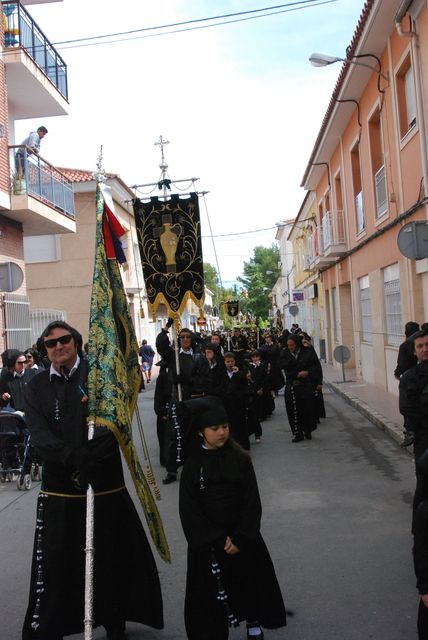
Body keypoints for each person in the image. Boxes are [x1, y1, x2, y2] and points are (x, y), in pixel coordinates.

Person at [22, 321, 163, 640]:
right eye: (51, 343)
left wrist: (92, 456)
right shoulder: (36, 386)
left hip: (103, 486)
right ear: (45, 350)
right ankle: (55, 625)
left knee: (110, 558)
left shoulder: (99, 377)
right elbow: (39, 435)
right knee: (59, 566)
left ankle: (114, 621)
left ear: (76, 341)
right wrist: (72, 457)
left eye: (64, 340)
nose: (59, 347)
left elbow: (115, 422)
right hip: (60, 492)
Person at [179, 396, 287, 640]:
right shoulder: (193, 467)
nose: (222, 433)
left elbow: (252, 501)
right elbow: (189, 510)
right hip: (210, 543)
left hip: (242, 537)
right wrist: (217, 539)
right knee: (211, 594)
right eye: (215, 429)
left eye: (225, 427)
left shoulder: (241, 459)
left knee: (249, 583)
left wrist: (241, 536)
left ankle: (253, 623)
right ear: (200, 432)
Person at [156, 319, 210, 484]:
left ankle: (197, 468)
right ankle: (172, 471)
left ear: (192, 339)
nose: (185, 339)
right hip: (177, 401)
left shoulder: (199, 358)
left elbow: (205, 379)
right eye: (182, 337)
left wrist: (187, 380)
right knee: (174, 436)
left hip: (194, 402)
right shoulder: (174, 357)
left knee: (195, 437)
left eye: (188, 337)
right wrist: (167, 326)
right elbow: (161, 346)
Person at [399, 329, 428, 523]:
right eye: (420, 346)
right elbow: (408, 409)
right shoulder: (409, 377)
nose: (425, 349)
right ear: (414, 351)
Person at [280, 334, 322, 442]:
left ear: (297, 344)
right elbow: (283, 366)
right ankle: (297, 432)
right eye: (288, 345)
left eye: (292, 345)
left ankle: (307, 430)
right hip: (291, 384)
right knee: (293, 408)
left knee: (307, 407)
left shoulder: (307, 351)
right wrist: (297, 371)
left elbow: (315, 366)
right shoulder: (285, 353)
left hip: (305, 384)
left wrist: (308, 373)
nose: (290, 347)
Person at [395, 321, 420, 447]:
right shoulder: (421, 341)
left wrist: (397, 373)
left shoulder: (405, 345)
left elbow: (402, 364)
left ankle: (410, 432)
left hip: (409, 379)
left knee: (408, 405)